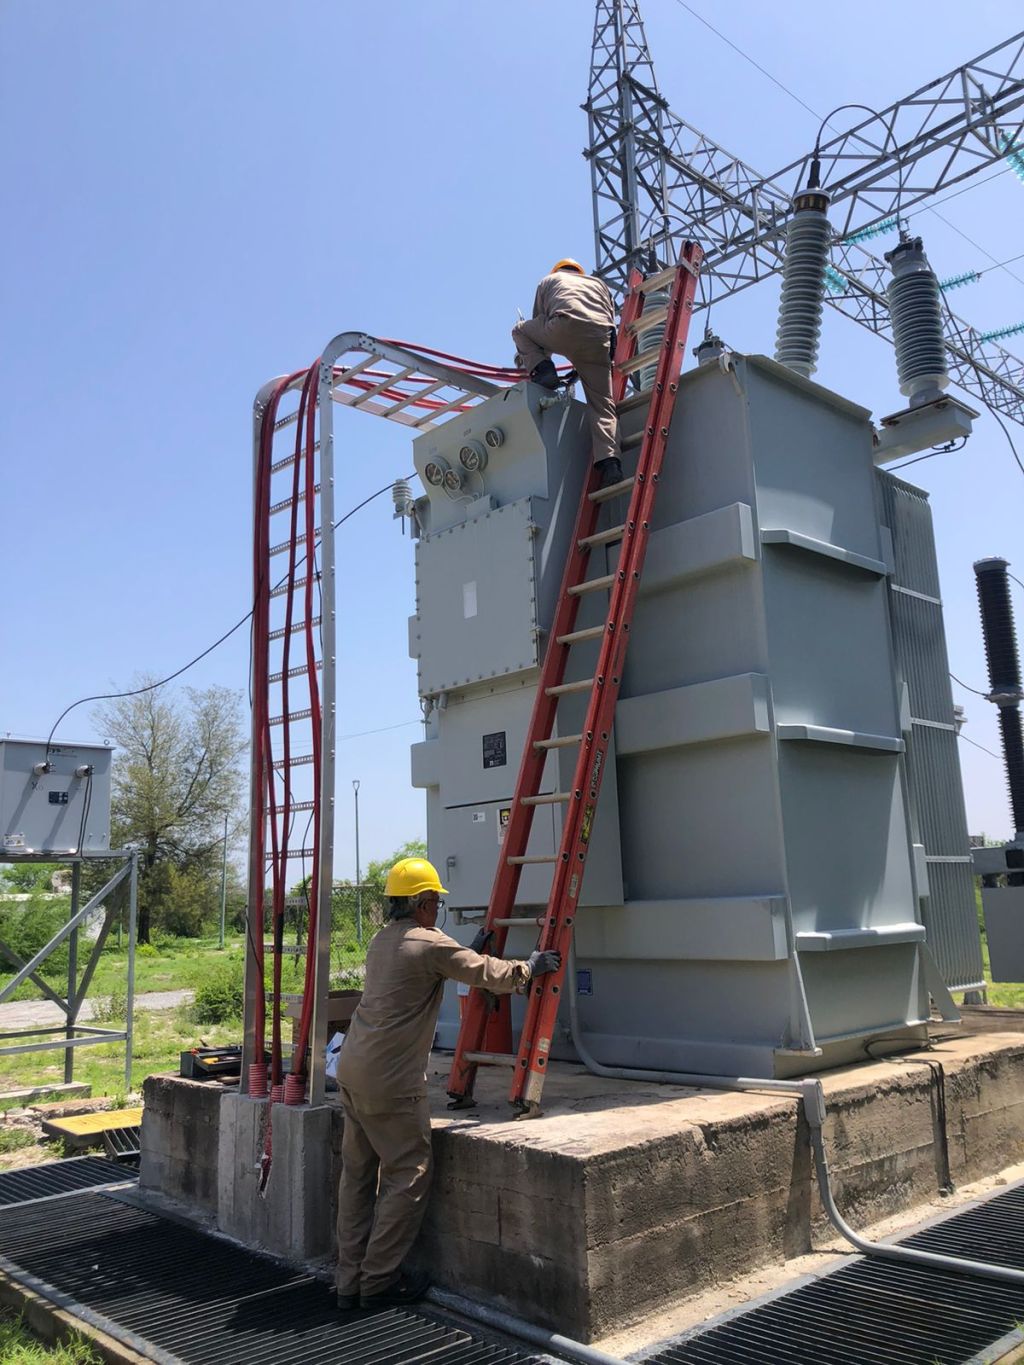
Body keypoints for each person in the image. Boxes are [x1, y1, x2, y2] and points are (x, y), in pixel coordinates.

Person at [334, 855, 561, 1312]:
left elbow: (435, 966)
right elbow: (484, 974)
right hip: (392, 1083)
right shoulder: (432, 945)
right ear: (420, 902)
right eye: (435, 902)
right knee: (408, 1175)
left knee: (357, 1176)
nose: (437, 909)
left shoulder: (382, 941)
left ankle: (347, 1280)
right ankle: (378, 1281)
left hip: (352, 1072)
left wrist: (466, 950)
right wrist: (530, 967)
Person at [512, 257, 623, 489]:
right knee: (603, 404)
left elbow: (538, 323)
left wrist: (535, 363)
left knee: (520, 331)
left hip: (564, 325)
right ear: (579, 272)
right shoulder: (598, 284)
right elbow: (611, 324)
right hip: (600, 340)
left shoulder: (549, 280)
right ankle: (610, 461)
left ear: (557, 270)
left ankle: (543, 372)